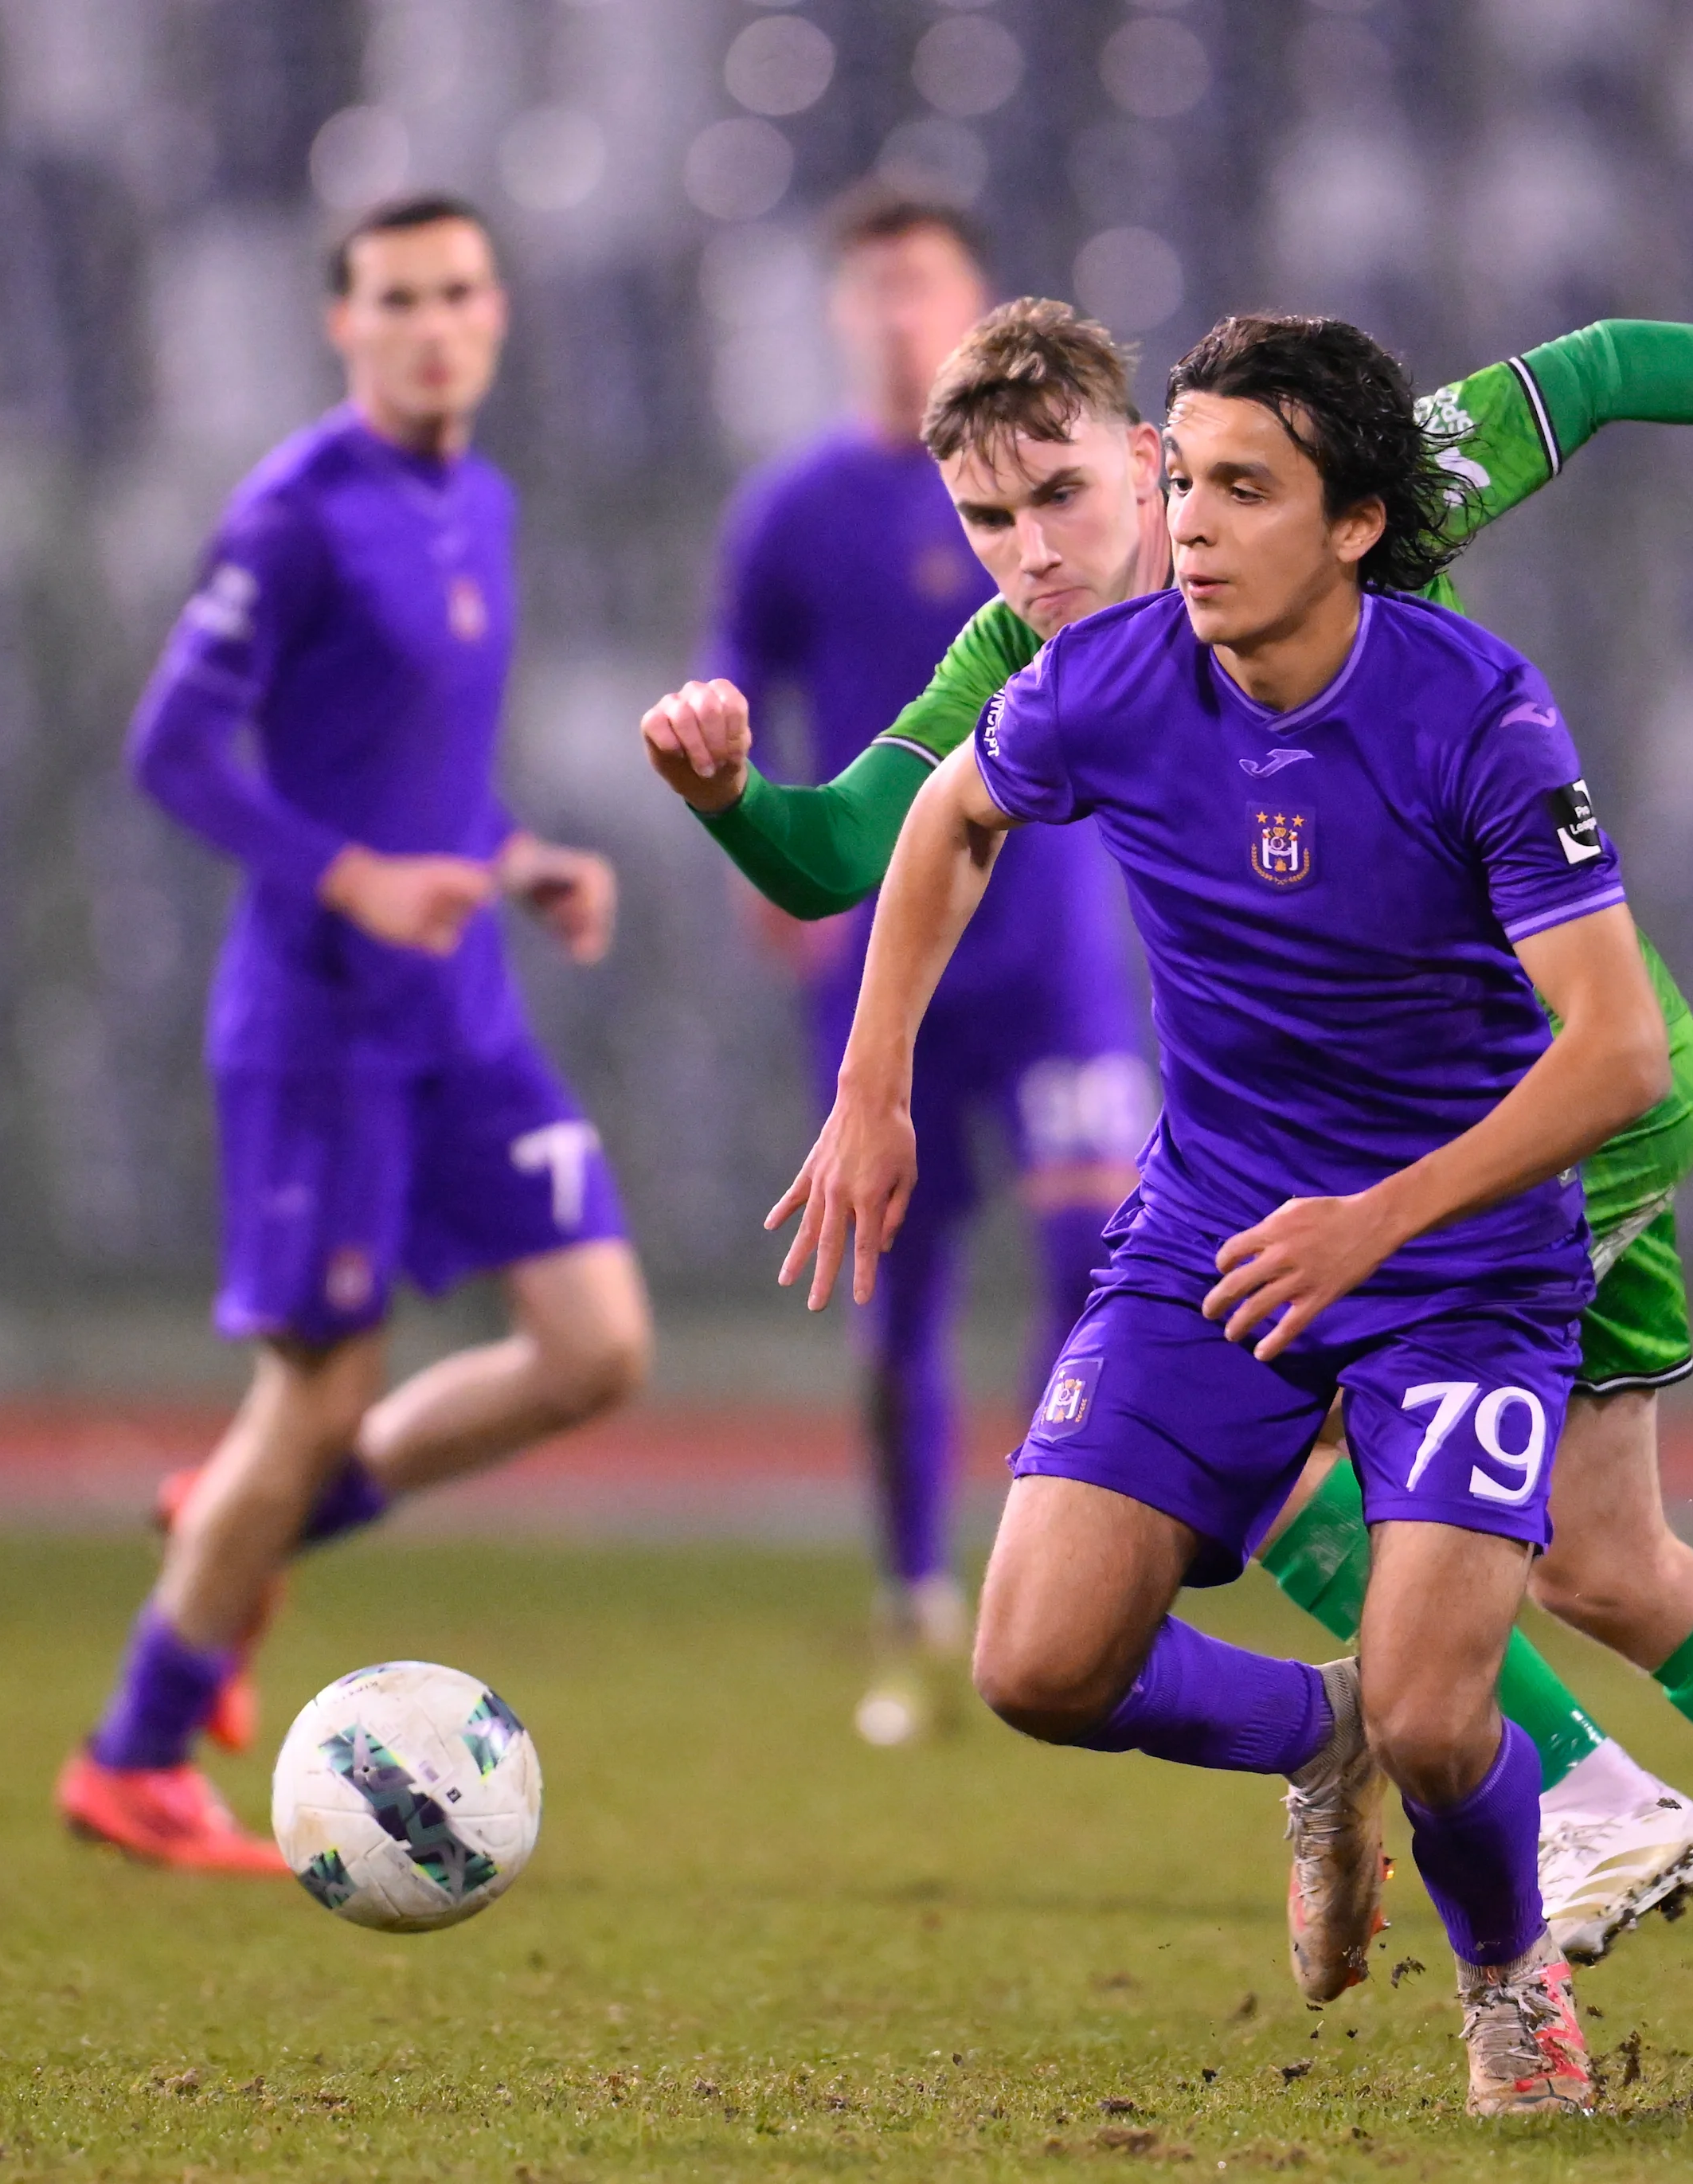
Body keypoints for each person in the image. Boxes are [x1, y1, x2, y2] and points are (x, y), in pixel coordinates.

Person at [648, 284, 1693, 2078]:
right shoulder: (1031, 674)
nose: (1036, 557)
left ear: (1152, 462)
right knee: (1596, 1552)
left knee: (1414, 1482)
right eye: (987, 522)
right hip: (1293, 1159)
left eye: (1069, 500)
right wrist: (735, 810)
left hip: (1537, 1106)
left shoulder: (1346, 493)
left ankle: (1546, 1797)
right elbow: (855, 851)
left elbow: (1609, 368)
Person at [779, 315, 1681, 2112]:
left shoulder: (1476, 711)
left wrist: (1379, 1223)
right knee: (1036, 1663)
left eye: (1242, 488)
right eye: (1180, 479)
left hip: (1462, 1266)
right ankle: (1305, 1727)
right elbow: (945, 824)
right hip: (1212, 1236)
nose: (1187, 523)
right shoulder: (1107, 681)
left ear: (1353, 524)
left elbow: (1620, 1058)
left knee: (1447, 1717)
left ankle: (1507, 1977)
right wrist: (871, 1086)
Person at [54, 194, 651, 1873]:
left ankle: (243, 1526)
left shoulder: (483, 499)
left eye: (460, 291)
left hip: (461, 1006)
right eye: (398, 299)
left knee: (596, 1348)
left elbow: (414, 759)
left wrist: (511, 861)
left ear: (501, 311)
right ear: (345, 325)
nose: (434, 323)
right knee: (317, 1396)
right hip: (319, 1025)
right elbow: (172, 747)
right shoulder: (296, 513)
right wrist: (355, 879)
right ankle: (135, 1756)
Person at [701, 188, 1150, 1744]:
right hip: (896, 956)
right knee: (898, 1290)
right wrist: (756, 824)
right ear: (842, 313)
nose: (902, 317)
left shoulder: (1083, 507)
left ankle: (1055, 1572)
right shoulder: (792, 511)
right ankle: (912, 1599)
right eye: (877, 290)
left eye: (929, 287)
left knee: (1093, 1261)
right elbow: (740, 685)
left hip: (1055, 944)